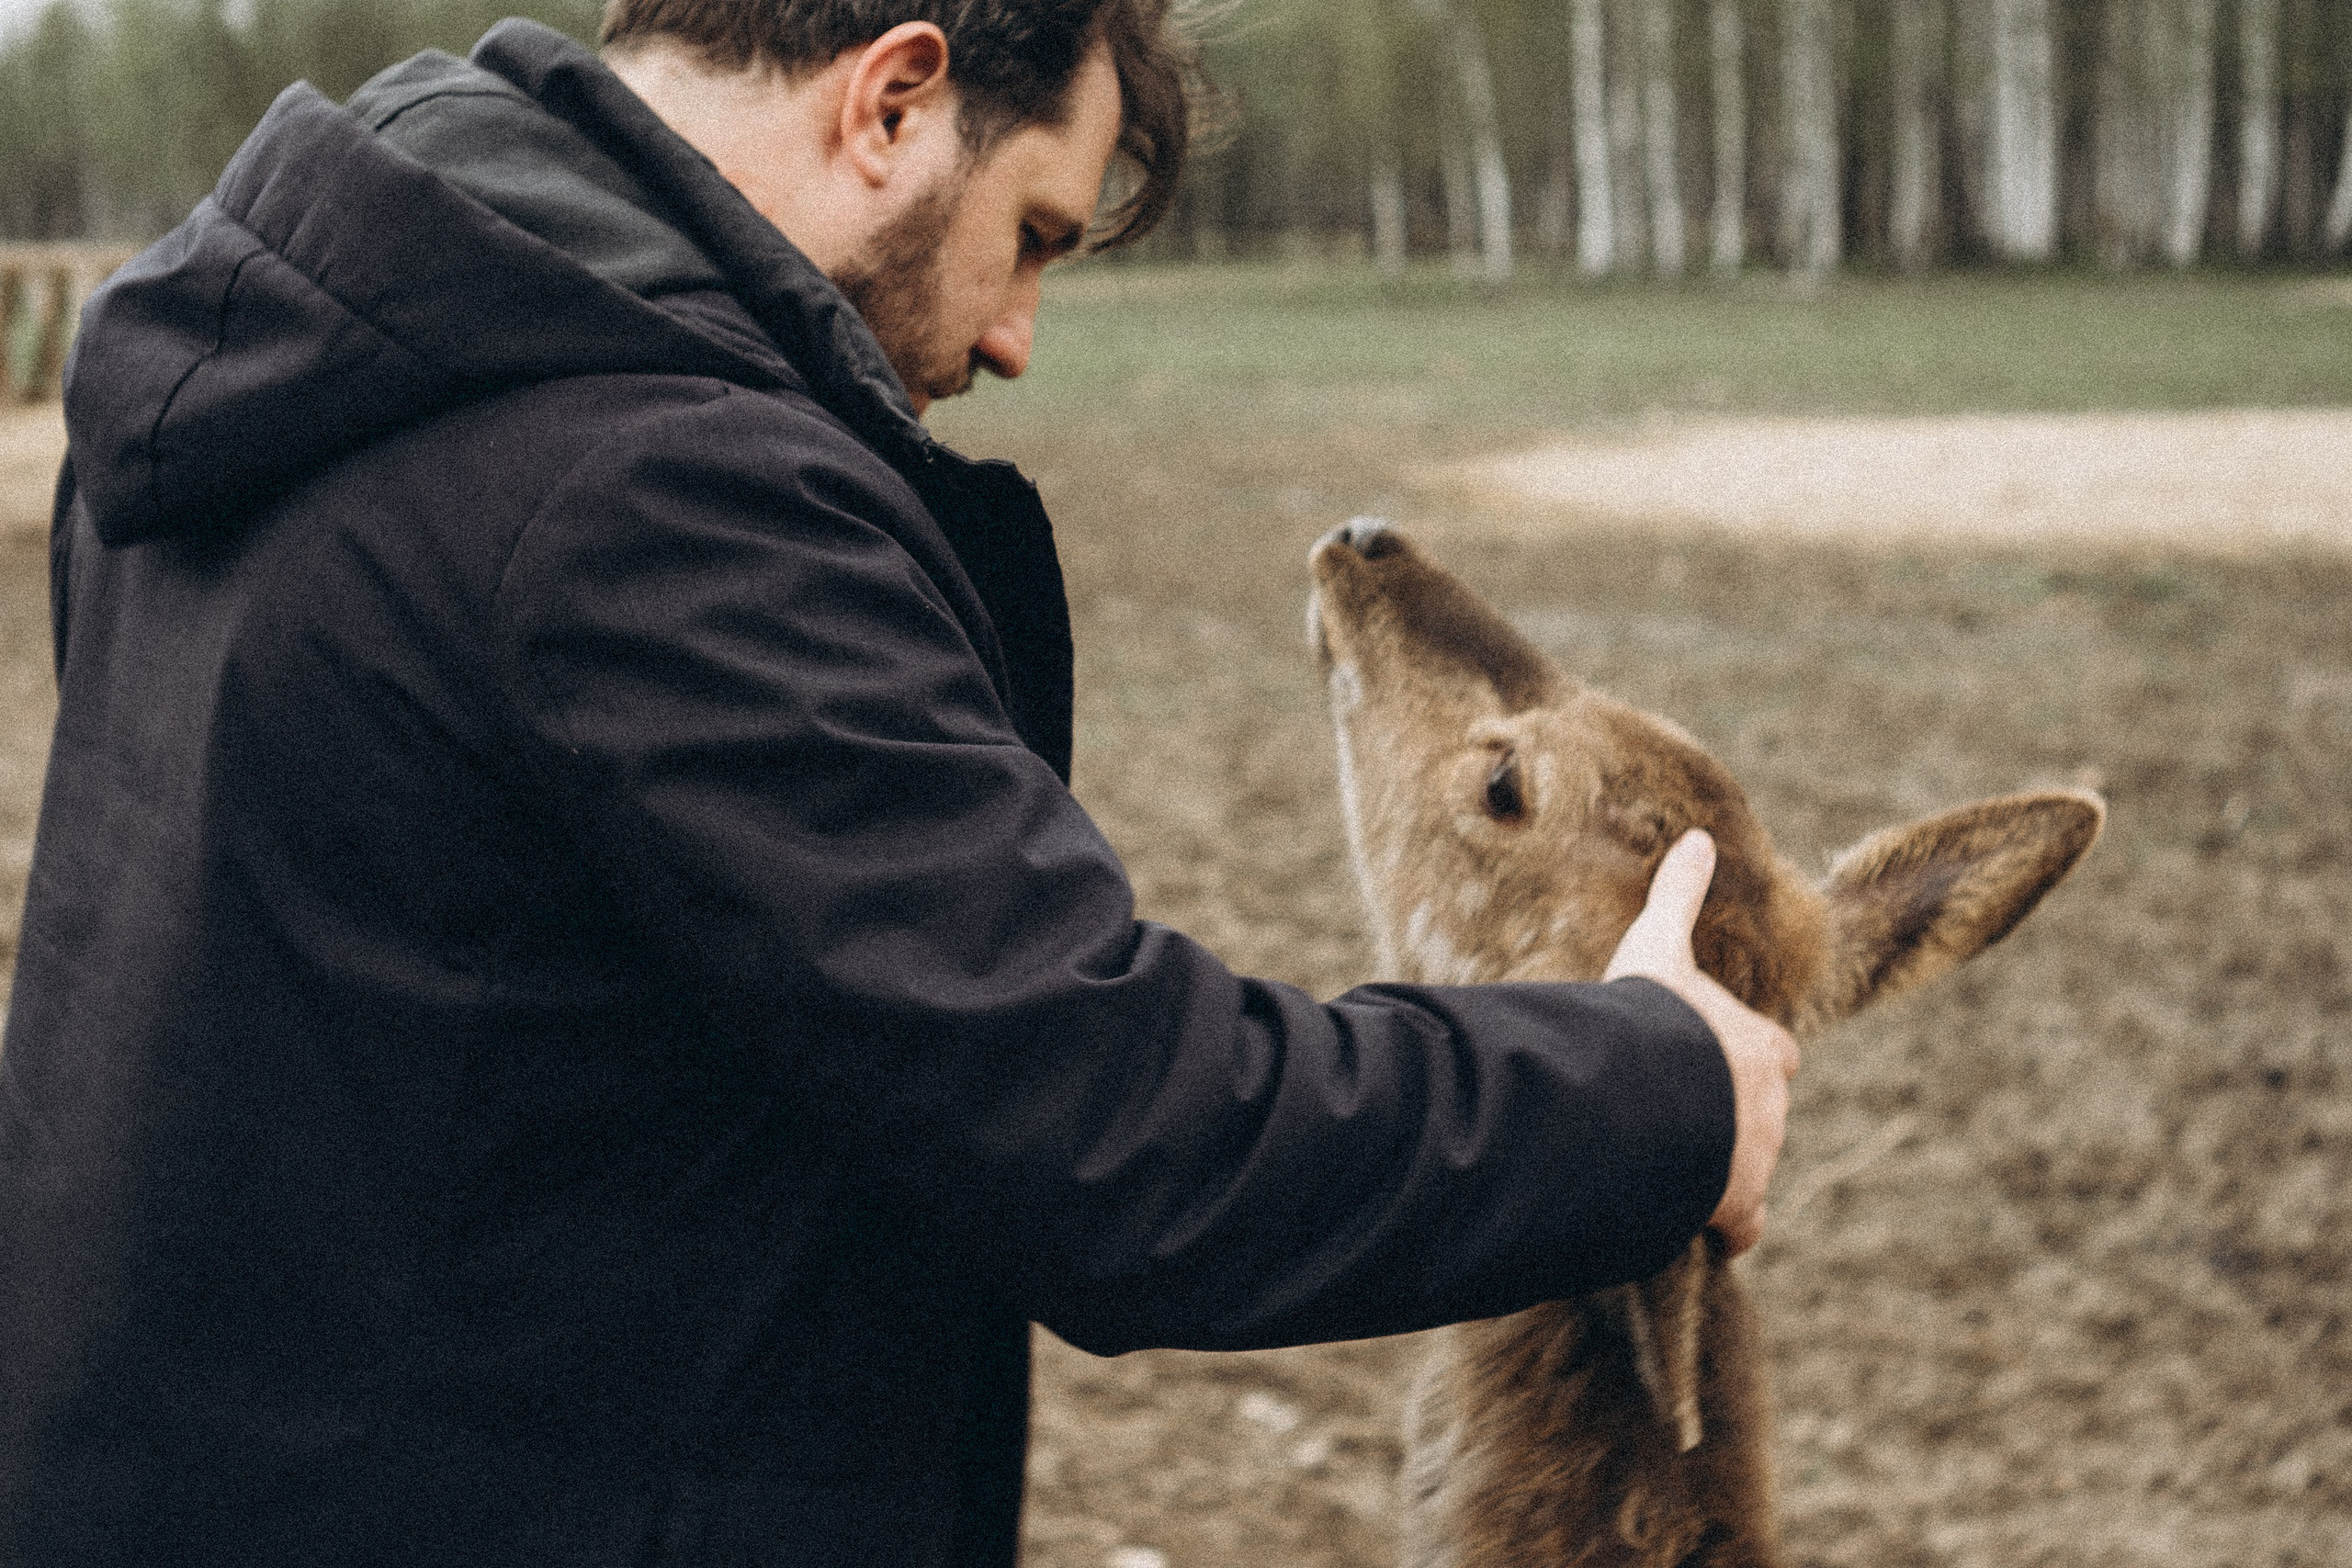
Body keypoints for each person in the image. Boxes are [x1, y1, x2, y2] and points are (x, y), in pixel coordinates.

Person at [0, 3, 1799, 1563]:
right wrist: (1650, 1084)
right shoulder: (647, 491)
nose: (1017, 331)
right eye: (1029, 232)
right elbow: (1122, 1122)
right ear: (888, 101)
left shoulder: (292, 360)